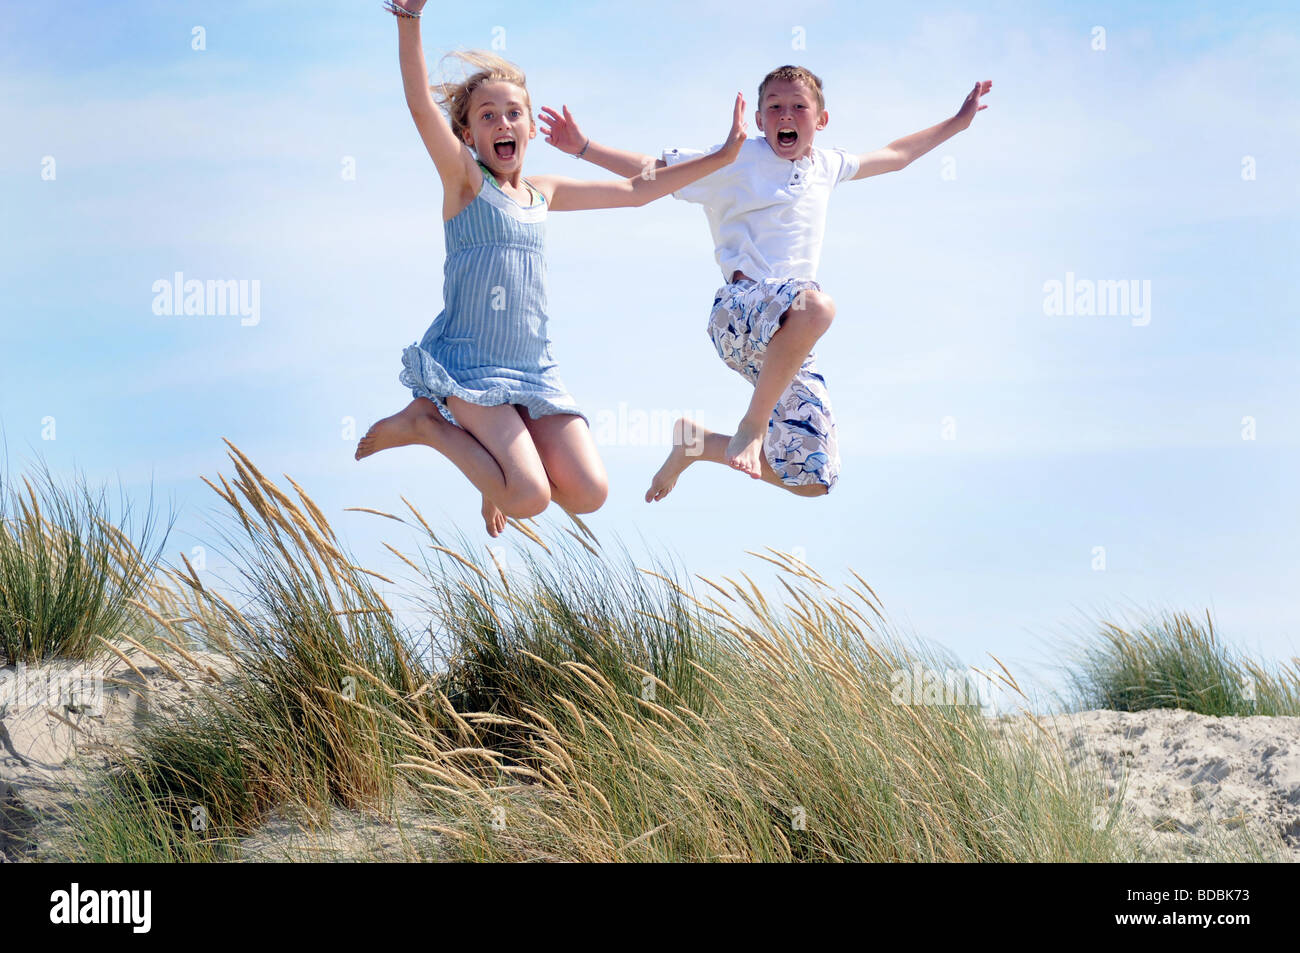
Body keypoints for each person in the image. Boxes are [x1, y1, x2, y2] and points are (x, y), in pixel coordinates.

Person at [356, 0, 747, 536]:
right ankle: (428, 424)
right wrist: (409, 18)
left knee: (590, 493)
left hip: (533, 369)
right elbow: (421, 105)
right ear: (467, 136)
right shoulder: (466, 183)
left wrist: (721, 159)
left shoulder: (545, 191)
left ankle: (493, 468)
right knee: (529, 497)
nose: (502, 123)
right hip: (471, 369)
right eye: (487, 116)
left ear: (530, 129)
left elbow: (638, 191)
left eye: (513, 112)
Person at [540, 66, 992, 502]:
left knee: (814, 476)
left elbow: (897, 156)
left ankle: (696, 444)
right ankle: (751, 428)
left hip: (789, 338)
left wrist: (958, 123)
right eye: (774, 107)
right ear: (759, 120)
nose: (786, 116)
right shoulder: (737, 159)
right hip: (739, 313)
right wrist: (583, 147)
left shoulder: (828, 165)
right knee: (820, 307)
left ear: (822, 120)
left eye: (798, 106)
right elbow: (651, 170)